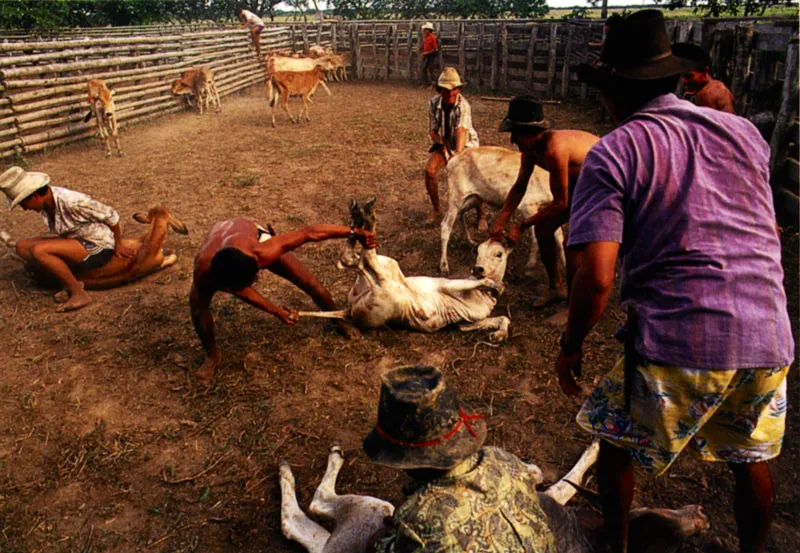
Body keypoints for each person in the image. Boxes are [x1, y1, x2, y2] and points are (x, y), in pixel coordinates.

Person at [558, 10, 793, 553]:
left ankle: (614, 543)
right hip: (769, 332)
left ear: (612, 93)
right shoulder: (744, 133)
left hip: (683, 338)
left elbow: (596, 280)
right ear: (674, 78)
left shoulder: (614, 151)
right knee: (750, 458)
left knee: (615, 442)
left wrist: (571, 345)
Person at [364, 365, 557, 553]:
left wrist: (381, 538)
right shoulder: (504, 460)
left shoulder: (418, 520)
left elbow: (381, 547)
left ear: (406, 462)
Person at [189, 219, 375, 383]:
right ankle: (212, 356)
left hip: (245, 233)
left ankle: (337, 319)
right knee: (198, 308)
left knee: (309, 282)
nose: (256, 281)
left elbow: (309, 232)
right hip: (219, 247)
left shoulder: (261, 251)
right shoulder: (203, 272)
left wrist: (354, 232)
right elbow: (242, 292)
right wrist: (276, 311)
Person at [489, 97, 599, 307]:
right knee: (543, 229)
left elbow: (560, 203)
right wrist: (502, 219)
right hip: (580, 181)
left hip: (601, 182)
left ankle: (574, 304)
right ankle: (556, 288)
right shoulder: (530, 150)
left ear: (531, 132)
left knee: (573, 244)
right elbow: (519, 187)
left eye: (515, 134)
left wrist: (521, 225)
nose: (512, 140)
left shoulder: (554, 150)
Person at [0, 166, 134, 312]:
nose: (25, 209)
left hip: (97, 244)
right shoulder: (48, 202)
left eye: (23, 204)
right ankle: (64, 278)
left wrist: (118, 244)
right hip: (75, 240)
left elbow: (111, 216)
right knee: (21, 246)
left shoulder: (73, 202)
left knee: (39, 251)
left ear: (35, 196)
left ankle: (78, 292)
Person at [425, 67, 481, 224]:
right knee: (429, 171)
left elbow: (461, 131)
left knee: (473, 178)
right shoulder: (433, 103)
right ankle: (436, 211)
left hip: (466, 144)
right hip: (446, 142)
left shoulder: (464, 106)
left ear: (459, 89)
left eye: (453, 89)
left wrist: (457, 154)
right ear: (439, 90)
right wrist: (441, 144)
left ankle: (481, 214)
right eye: (445, 90)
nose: (450, 94)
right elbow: (433, 131)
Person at [672, 42, 736, 114]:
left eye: (689, 76)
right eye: (682, 76)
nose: (684, 81)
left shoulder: (708, 93)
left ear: (705, 71)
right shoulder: (716, 88)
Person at [419, 23, 438, 87]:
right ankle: (425, 83)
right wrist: (420, 48)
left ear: (429, 30)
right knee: (424, 69)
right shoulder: (425, 37)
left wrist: (427, 52)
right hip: (426, 55)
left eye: (425, 29)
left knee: (431, 69)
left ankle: (433, 84)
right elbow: (424, 44)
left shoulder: (433, 37)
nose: (424, 31)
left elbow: (435, 49)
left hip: (431, 55)